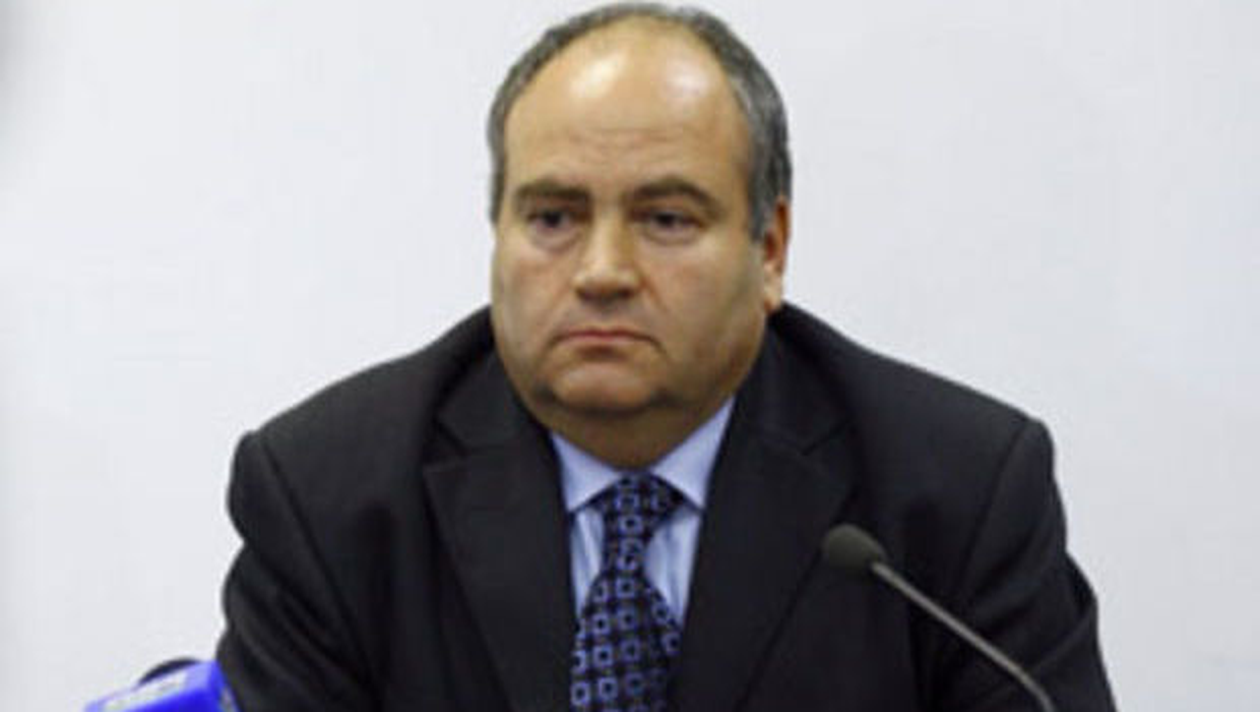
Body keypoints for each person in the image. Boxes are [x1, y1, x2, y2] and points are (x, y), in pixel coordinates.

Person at [215, 4, 1116, 711]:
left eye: (666, 219)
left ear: (770, 249)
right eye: (553, 217)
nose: (602, 272)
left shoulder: (956, 495)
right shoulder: (329, 497)